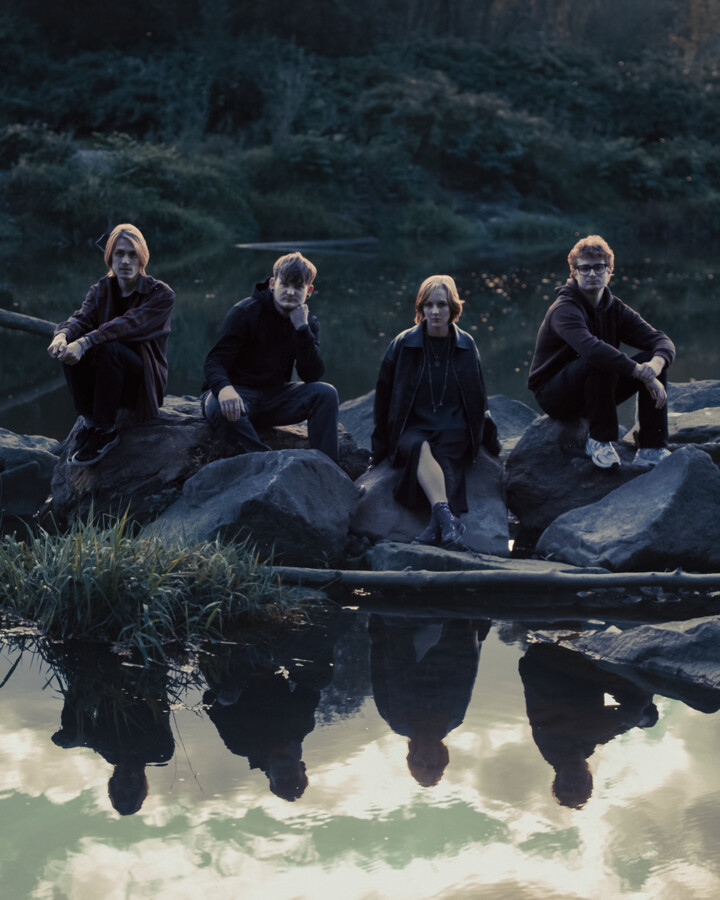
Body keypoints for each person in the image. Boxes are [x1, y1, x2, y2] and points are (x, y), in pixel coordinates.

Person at [371, 274, 500, 549]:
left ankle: (436, 526)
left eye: (441, 304)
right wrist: (379, 449)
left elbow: (478, 399)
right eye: (428, 305)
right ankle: (447, 520)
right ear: (421, 308)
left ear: (452, 308)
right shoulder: (403, 344)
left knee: (447, 457)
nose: (435, 311)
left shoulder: (466, 344)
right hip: (412, 426)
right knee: (419, 446)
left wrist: (486, 441)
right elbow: (383, 398)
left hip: (454, 425)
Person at [528, 235, 675, 469]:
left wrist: (653, 367)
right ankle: (599, 440)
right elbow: (593, 350)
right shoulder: (564, 309)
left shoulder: (613, 307)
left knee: (651, 358)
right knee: (600, 358)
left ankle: (651, 448)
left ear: (609, 271)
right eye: (584, 268)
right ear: (574, 273)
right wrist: (638, 372)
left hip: (596, 389)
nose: (592, 274)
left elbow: (660, 340)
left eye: (599, 267)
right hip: (556, 394)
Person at [47, 223, 174, 466]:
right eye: (119, 253)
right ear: (110, 257)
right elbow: (81, 318)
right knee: (71, 344)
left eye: (132, 254)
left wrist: (87, 341)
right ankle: (89, 422)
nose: (125, 261)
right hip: (105, 380)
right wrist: (62, 336)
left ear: (142, 258)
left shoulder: (160, 294)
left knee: (108, 346)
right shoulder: (101, 289)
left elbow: (129, 324)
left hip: (141, 384)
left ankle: (106, 431)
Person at [202, 251, 339, 463]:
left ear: (309, 291)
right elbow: (215, 362)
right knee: (217, 405)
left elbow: (311, 375)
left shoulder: (307, 322)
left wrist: (302, 330)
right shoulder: (245, 311)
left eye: (298, 287)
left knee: (326, 394)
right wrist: (224, 389)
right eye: (285, 284)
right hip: (239, 394)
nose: (291, 292)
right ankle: (267, 461)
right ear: (273, 284)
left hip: (275, 397)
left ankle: (327, 467)